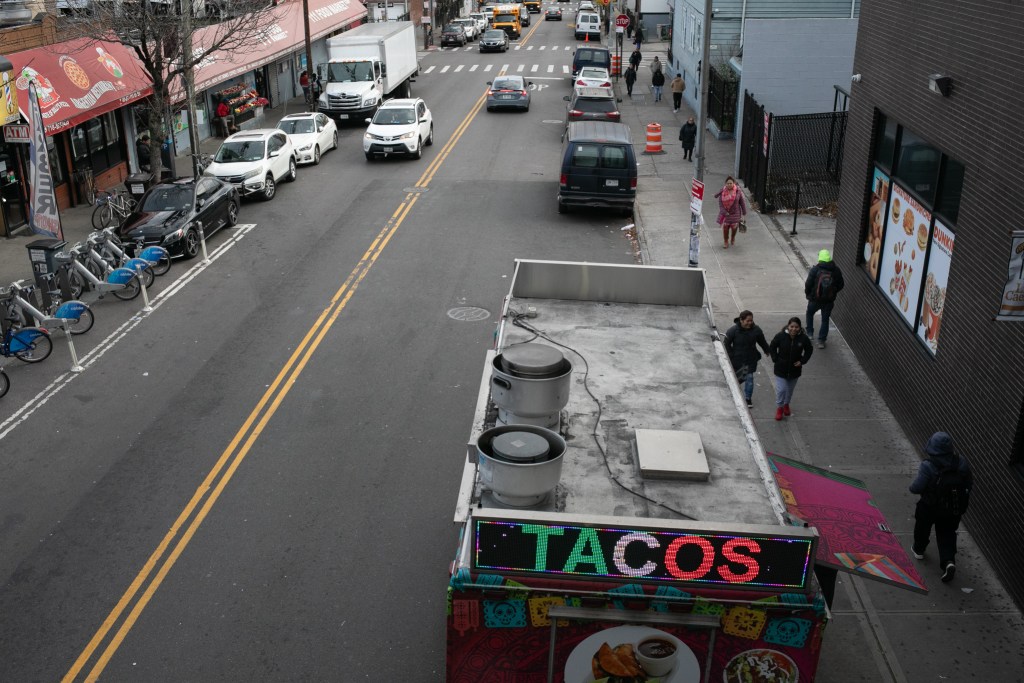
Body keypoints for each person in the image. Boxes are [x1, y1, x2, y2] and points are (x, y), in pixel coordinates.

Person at [910, 432, 973, 582]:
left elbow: (916, 488)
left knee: (922, 527)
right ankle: (948, 562)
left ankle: (919, 549)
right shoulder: (961, 462)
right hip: (952, 509)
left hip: (930, 506)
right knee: (947, 534)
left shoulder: (928, 466)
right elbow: (968, 484)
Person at [768, 317, 813, 421]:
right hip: (781, 369)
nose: (794, 329)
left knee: (789, 390)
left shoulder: (803, 338)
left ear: (799, 328)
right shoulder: (780, 336)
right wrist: (775, 359)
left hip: (794, 370)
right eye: (792, 326)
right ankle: (779, 408)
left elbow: (809, 350)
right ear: (788, 326)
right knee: (781, 390)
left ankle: (786, 404)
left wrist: (802, 361)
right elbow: (773, 346)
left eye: (796, 327)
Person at [723, 310, 771, 408]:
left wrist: (767, 350)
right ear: (741, 320)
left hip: (750, 359)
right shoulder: (733, 331)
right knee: (737, 379)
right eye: (747, 321)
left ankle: (748, 398)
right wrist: (731, 355)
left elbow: (762, 341)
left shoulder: (756, 330)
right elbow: (726, 343)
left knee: (749, 378)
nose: (750, 323)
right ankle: (733, 394)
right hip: (737, 359)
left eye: (751, 321)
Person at [804, 249, 845, 349]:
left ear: (820, 259)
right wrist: (833, 292)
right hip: (828, 301)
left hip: (815, 300)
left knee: (810, 313)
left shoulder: (815, 270)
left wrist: (808, 294)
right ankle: (821, 341)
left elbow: (808, 284)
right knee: (825, 320)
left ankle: (809, 333)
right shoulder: (836, 270)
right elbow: (841, 285)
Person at [714, 176, 747, 249]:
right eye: (727, 183)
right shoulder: (722, 193)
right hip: (726, 214)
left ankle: (732, 237)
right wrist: (724, 212)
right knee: (725, 228)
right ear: (725, 184)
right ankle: (726, 241)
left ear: (734, 183)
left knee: (734, 228)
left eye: (730, 183)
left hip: (736, 213)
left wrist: (744, 212)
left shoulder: (738, 192)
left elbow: (742, 202)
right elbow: (721, 205)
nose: (729, 185)